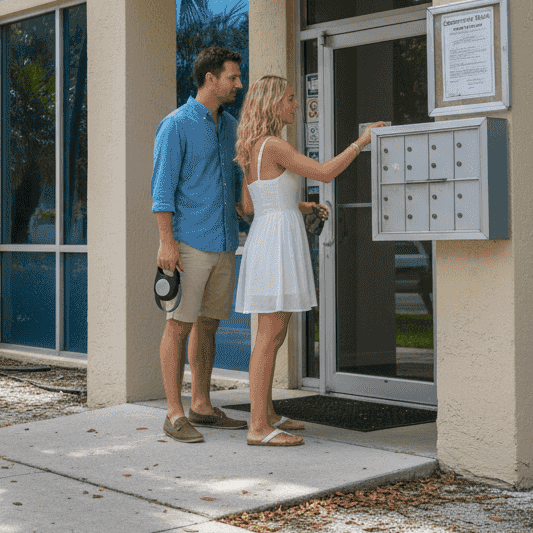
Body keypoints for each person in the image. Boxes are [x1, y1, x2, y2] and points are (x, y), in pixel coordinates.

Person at [234, 75, 385, 446]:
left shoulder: (253, 147)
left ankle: (267, 413)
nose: (296, 104)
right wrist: (362, 141)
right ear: (273, 103)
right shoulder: (274, 145)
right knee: (269, 335)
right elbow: (325, 172)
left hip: (268, 235)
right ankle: (258, 427)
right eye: (289, 98)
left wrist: (297, 205)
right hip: (276, 243)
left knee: (275, 332)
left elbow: (250, 205)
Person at [152, 47, 248, 443]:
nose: (238, 84)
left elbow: (236, 190)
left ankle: (202, 406)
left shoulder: (230, 126)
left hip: (224, 242)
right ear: (211, 79)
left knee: (209, 326)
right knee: (178, 326)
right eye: (232, 77)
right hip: (188, 243)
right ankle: (174, 413)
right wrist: (167, 244)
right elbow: (162, 191)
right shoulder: (176, 124)